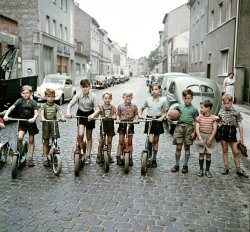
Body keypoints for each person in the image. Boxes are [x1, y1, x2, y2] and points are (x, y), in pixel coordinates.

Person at [3, 85, 39, 167]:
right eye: (24, 93)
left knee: (31, 140)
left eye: (27, 93)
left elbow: (36, 113)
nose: (25, 94)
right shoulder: (19, 101)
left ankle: (30, 158)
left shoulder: (33, 103)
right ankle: (19, 153)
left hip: (31, 123)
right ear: (21, 94)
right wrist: (6, 115)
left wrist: (33, 118)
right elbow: (11, 108)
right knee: (19, 137)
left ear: (31, 93)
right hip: (22, 123)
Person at [66, 79, 100, 164]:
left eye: (87, 87)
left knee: (89, 135)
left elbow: (98, 109)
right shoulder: (78, 95)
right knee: (80, 134)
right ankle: (81, 150)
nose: (85, 89)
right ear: (81, 87)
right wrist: (68, 112)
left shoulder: (93, 96)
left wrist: (92, 115)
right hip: (81, 114)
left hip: (90, 115)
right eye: (83, 87)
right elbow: (70, 104)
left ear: (90, 87)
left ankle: (88, 155)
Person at [166, 89, 199, 174]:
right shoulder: (179, 107)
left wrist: (194, 132)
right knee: (178, 147)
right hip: (179, 127)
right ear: (182, 98)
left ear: (192, 98)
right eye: (185, 98)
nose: (186, 100)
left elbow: (196, 122)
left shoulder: (194, 109)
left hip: (189, 128)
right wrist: (168, 117)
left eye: (188, 98)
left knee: (187, 147)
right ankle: (177, 165)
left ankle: (185, 165)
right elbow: (169, 112)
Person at [217, 94, 248, 177]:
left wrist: (241, 137)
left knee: (236, 151)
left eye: (227, 103)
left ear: (232, 102)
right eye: (224, 103)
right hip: (223, 131)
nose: (226, 105)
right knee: (224, 149)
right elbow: (219, 122)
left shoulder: (236, 112)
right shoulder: (221, 112)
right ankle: (226, 167)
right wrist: (218, 125)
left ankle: (238, 169)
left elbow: (240, 125)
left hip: (232, 131)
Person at [138, 82, 168, 168]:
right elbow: (142, 109)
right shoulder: (148, 100)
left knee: (156, 140)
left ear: (160, 90)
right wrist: (140, 114)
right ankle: (149, 153)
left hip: (158, 120)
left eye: (156, 89)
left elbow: (166, 112)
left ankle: (154, 158)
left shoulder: (163, 100)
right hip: (150, 120)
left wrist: (162, 118)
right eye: (152, 89)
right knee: (150, 140)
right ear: (151, 91)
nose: (154, 91)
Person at [40, 88, 66, 167]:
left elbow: (60, 113)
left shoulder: (56, 106)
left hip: (54, 124)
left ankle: (53, 152)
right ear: (45, 97)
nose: (50, 98)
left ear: (54, 97)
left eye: (52, 96)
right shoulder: (43, 105)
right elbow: (42, 113)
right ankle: (45, 157)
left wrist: (62, 117)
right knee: (46, 141)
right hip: (46, 124)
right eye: (48, 96)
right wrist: (43, 118)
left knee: (54, 140)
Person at [193, 100, 217, 178]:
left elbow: (214, 129)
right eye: (200, 107)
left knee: (208, 154)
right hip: (201, 137)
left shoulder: (213, 118)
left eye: (202, 108)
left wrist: (210, 139)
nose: (200, 109)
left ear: (208, 108)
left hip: (209, 137)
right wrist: (200, 139)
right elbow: (197, 129)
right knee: (201, 154)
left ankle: (207, 170)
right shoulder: (199, 118)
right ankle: (200, 170)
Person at [116, 89, 138, 166]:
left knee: (129, 142)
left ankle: (130, 157)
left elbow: (136, 114)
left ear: (132, 97)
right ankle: (118, 156)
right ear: (123, 97)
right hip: (122, 124)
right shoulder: (120, 106)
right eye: (126, 97)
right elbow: (118, 114)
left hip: (130, 124)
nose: (128, 98)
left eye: (130, 97)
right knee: (121, 141)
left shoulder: (134, 106)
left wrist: (136, 120)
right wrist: (118, 119)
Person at [96, 91, 117, 164]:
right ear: (103, 98)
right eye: (105, 98)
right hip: (103, 126)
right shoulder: (101, 107)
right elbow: (97, 114)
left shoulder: (113, 107)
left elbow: (115, 115)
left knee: (109, 141)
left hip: (110, 126)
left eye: (109, 98)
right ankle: (98, 155)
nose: (107, 100)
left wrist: (114, 116)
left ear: (111, 99)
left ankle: (109, 155)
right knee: (101, 141)